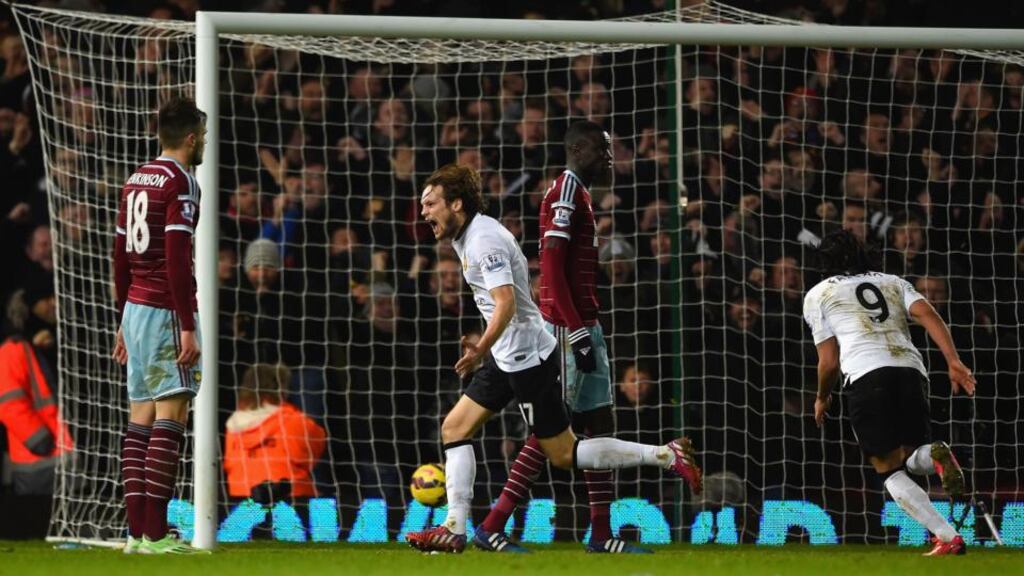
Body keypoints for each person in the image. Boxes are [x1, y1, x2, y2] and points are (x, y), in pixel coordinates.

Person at [405, 164, 702, 554]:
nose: (424, 212)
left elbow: (507, 303)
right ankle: (455, 528)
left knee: (564, 454)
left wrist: (480, 348)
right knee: (454, 429)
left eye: (431, 203)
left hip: (527, 358)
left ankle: (665, 455)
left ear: (456, 204)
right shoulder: (468, 235)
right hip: (505, 355)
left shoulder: (483, 241)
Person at [474, 121, 652, 554]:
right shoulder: (567, 191)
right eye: (605, 150)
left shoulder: (579, 193)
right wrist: (573, 328)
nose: (610, 159)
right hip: (566, 324)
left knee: (599, 422)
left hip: (584, 320)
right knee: (555, 430)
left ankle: (600, 532)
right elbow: (549, 263)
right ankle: (492, 523)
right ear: (581, 148)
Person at [803, 230, 976, 557]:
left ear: (822, 262)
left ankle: (947, 536)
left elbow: (828, 362)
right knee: (911, 455)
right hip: (911, 372)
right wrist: (953, 360)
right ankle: (936, 455)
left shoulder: (819, 294)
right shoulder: (893, 281)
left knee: (888, 468)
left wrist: (822, 396)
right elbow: (929, 315)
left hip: (867, 377)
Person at [111, 96, 208, 555]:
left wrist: (121, 320)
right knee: (171, 415)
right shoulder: (181, 181)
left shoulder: (136, 178)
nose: (205, 143)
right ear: (191, 138)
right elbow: (174, 257)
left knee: (140, 418)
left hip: (134, 308)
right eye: (203, 136)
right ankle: (154, 535)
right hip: (166, 310)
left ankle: (136, 534)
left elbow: (119, 254)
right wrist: (186, 324)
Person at [224, 364, 326, 502]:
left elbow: (229, 465)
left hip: (239, 504)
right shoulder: (293, 420)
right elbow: (314, 452)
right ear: (281, 388)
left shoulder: (232, 426)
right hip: (292, 502)